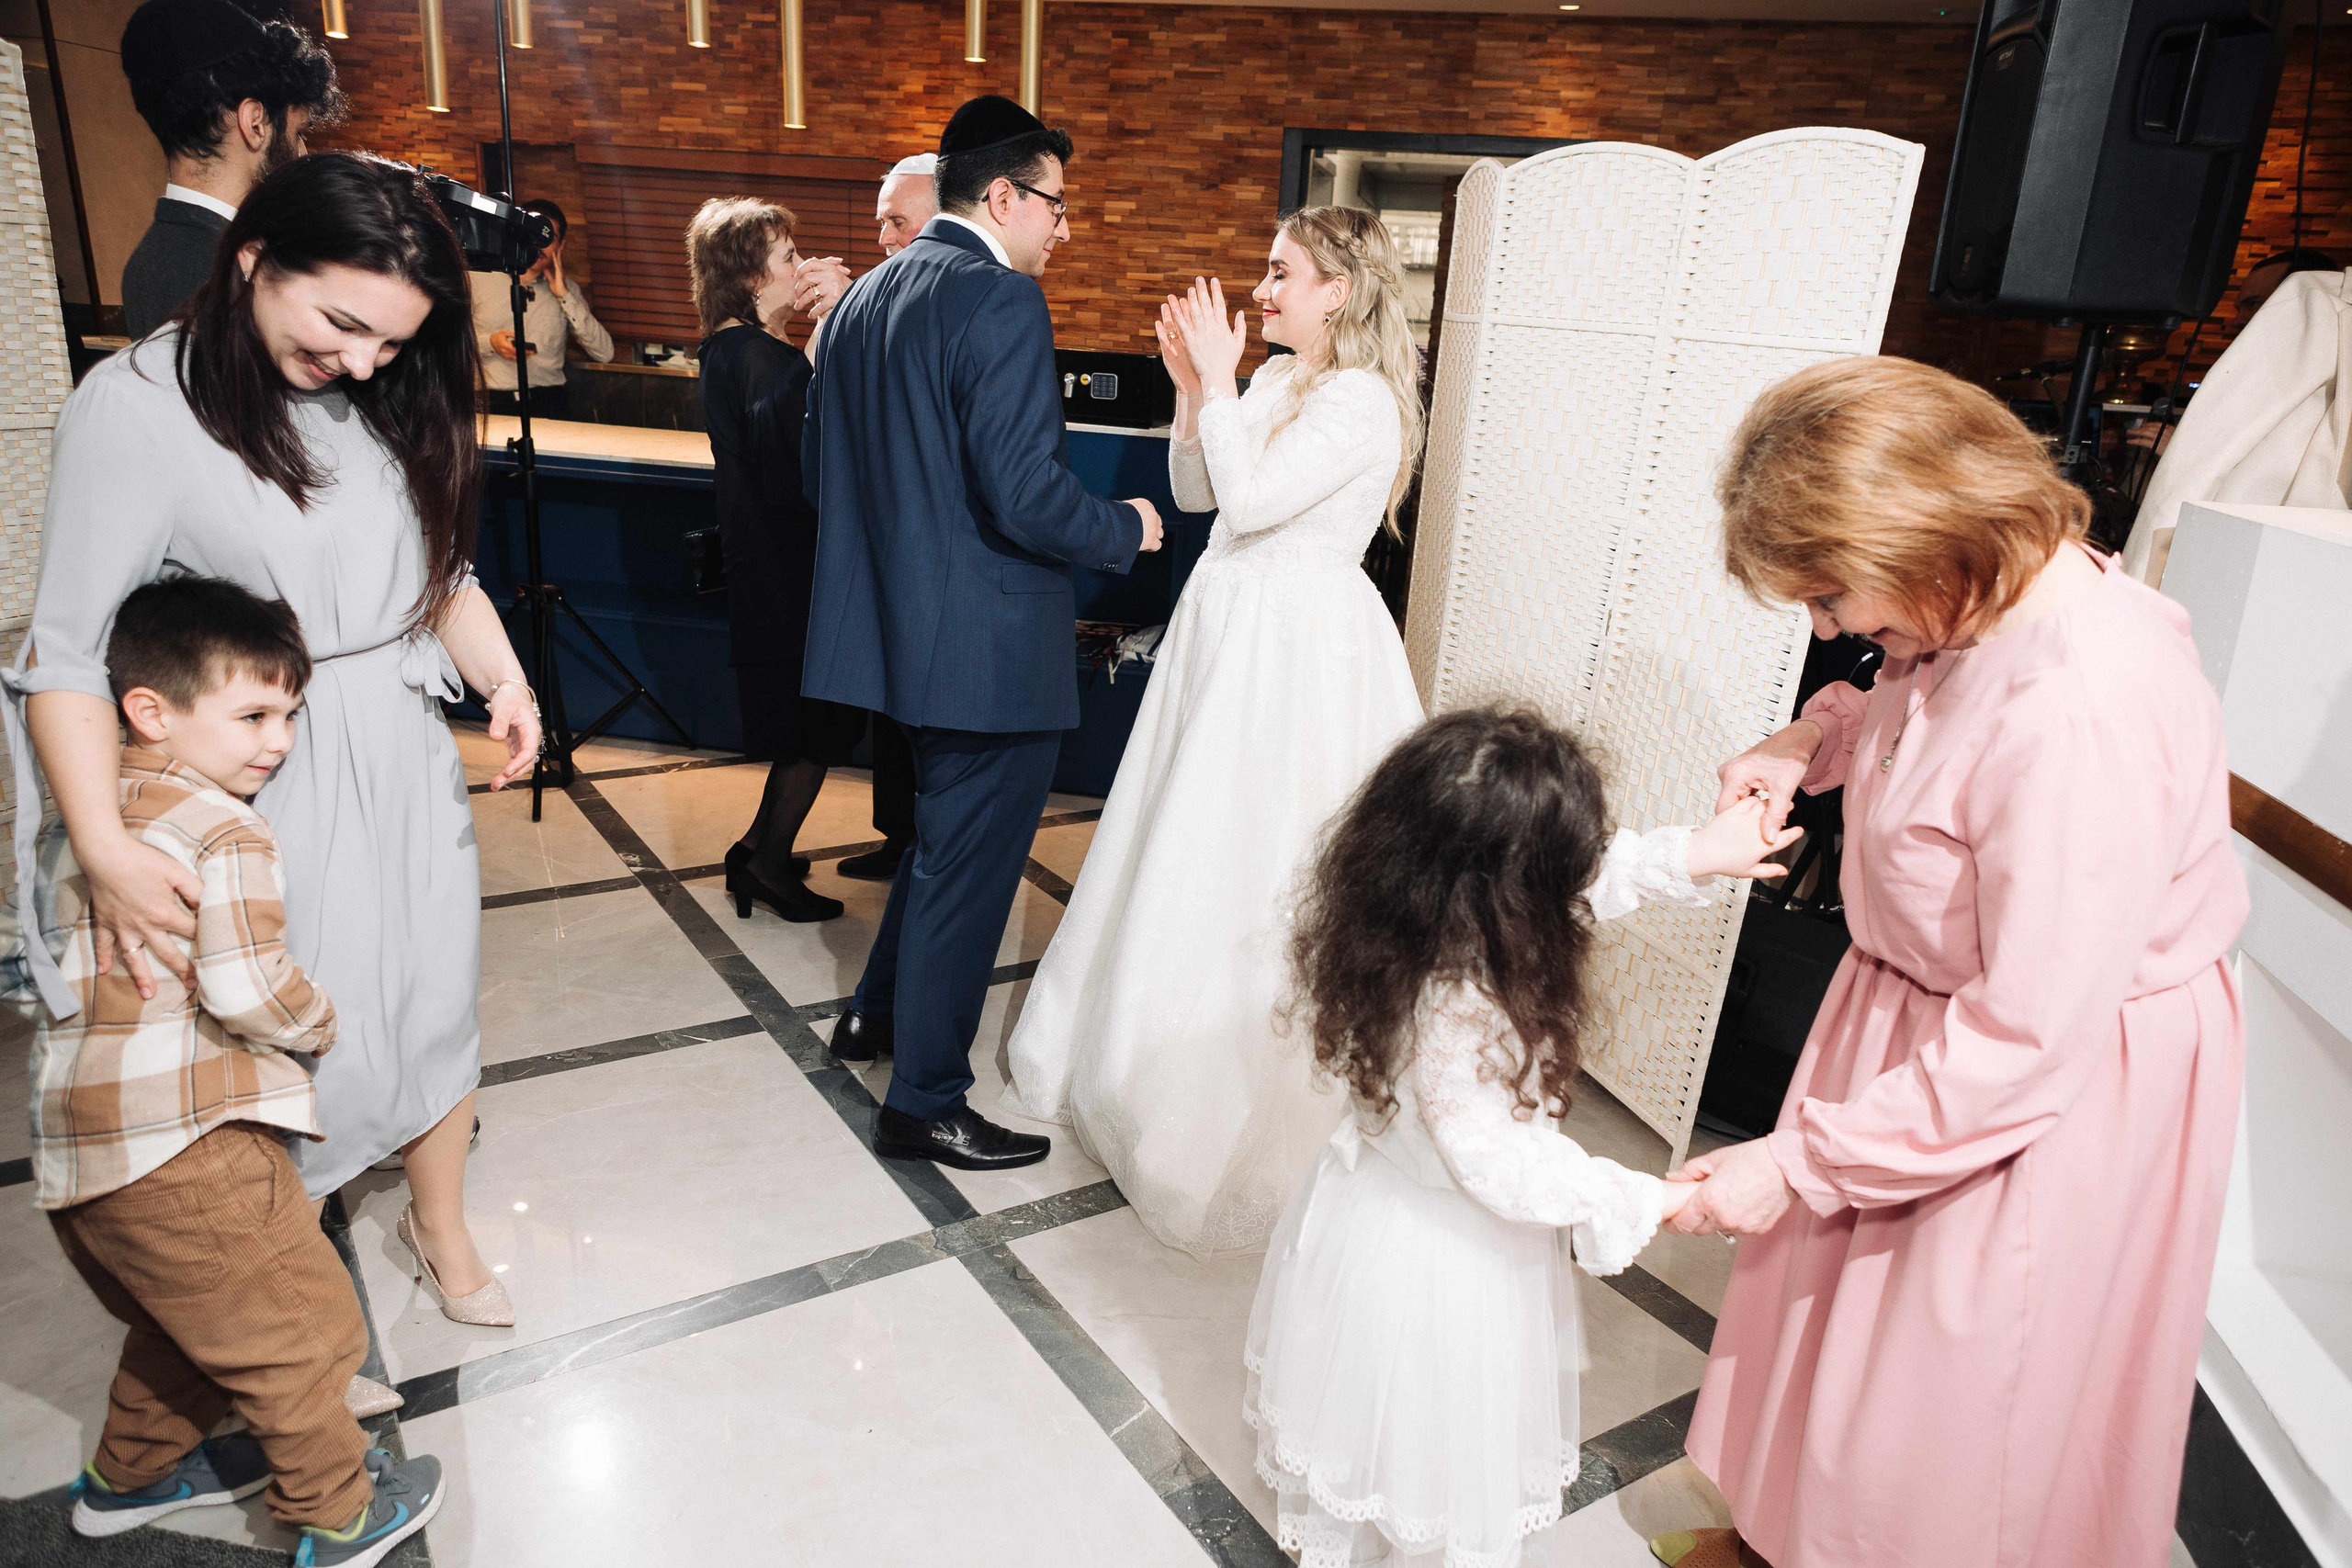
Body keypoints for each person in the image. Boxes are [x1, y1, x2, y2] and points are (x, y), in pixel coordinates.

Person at [1648, 357, 2249, 1568]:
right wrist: (1809, 738)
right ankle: (1792, 1538)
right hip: (1924, 1022)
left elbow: (2029, 1035)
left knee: (1949, 1388)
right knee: (1845, 1337)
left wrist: (1803, 1157)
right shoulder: (1977, 598)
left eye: (1830, 593)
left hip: (2027, 1074)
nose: (1828, 629)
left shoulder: (2087, 705)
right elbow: (1924, 711)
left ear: (1926, 525)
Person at [7, 152, 542, 1332]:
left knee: (433, 997)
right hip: (266, 774)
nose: (359, 364)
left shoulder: (379, 396)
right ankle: (273, 1293)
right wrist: (101, 842)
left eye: (391, 345)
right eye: (342, 323)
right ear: (253, 258)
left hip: (402, 753)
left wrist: (507, 683)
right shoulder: (137, 408)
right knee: (295, 1034)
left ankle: (438, 1222)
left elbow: (441, 576)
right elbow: (63, 652)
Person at [1246, 706, 1797, 1568]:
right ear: (1509, 885)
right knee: (1435, 1430)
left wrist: (1695, 851)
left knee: (1390, 1419)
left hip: (1376, 1206)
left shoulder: (1416, 911)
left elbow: (1585, 877)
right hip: (1437, 1254)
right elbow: (1497, 1161)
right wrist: (1645, 1195)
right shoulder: (1459, 998)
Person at [1001, 208, 1427, 1256]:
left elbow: (1256, 495)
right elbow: (1201, 495)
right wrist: (1199, 396)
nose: (1262, 290)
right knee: (1181, 833)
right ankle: (1130, 1064)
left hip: (1294, 651)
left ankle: (1223, 1099)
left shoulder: (1364, 401)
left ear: (1339, 290)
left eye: (1281, 274)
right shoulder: (1281, 381)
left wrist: (1220, 383)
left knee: (1258, 847)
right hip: (1227, 625)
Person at [10, 576, 442, 1565]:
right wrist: (324, 1021)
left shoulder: (83, 823)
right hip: (188, 1147)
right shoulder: (224, 829)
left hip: (83, 1157)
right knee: (303, 1326)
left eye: (289, 714)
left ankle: (130, 1479)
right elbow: (251, 989)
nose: (277, 741)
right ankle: (340, 1515)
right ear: (151, 710)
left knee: (190, 1326)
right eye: (251, 713)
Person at [802, 94, 1162, 1172]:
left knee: (933, 848)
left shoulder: (867, 300)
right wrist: (1123, 529)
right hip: (986, 649)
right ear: (1002, 196)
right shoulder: (997, 300)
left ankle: (872, 1014)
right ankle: (925, 1101)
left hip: (894, 641)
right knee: (966, 871)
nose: (1064, 226)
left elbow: (830, 475)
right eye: (1056, 204)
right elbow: (1021, 495)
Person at [687, 196, 863, 923]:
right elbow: (797, 471)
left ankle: (759, 848)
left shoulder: (733, 351)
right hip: (788, 574)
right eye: (789, 257)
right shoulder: (757, 357)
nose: (801, 267)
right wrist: (826, 339)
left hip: (768, 568)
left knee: (805, 728)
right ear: (753, 279)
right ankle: (765, 862)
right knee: (813, 732)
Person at [832, 151, 944, 883]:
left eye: (896, 222)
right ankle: (898, 834)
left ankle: (917, 845)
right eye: (879, 224)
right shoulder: (870, 301)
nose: (883, 239)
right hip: (881, 554)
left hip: (932, 564)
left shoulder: (967, 303)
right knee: (890, 719)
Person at [117, 0, 344, 339]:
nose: (302, 152)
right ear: (255, 124)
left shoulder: (145, 264)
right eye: (298, 134)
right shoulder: (232, 271)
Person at [468, 199, 615, 421]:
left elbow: (605, 353)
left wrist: (564, 295)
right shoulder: (478, 279)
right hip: (490, 401)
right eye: (531, 234)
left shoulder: (568, 291)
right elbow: (444, 343)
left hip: (549, 402)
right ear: (516, 234)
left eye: (547, 238)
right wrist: (491, 343)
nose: (537, 245)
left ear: (560, 245)